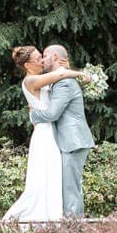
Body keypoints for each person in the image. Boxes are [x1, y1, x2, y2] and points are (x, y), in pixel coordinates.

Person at [2, 45, 87, 221]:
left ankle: (53, 217)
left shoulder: (40, 79)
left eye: (42, 56)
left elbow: (59, 76)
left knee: (52, 178)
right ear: (27, 65)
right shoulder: (30, 81)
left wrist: (66, 67)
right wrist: (81, 74)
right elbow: (60, 75)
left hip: (51, 132)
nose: (41, 60)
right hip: (45, 133)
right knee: (43, 179)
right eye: (38, 58)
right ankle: (44, 218)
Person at [28, 44, 96, 218]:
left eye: (44, 55)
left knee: (70, 188)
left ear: (56, 57)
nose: (42, 60)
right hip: (68, 141)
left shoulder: (64, 83)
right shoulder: (58, 80)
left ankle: (74, 231)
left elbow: (53, 114)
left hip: (72, 141)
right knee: (68, 186)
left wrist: (33, 115)